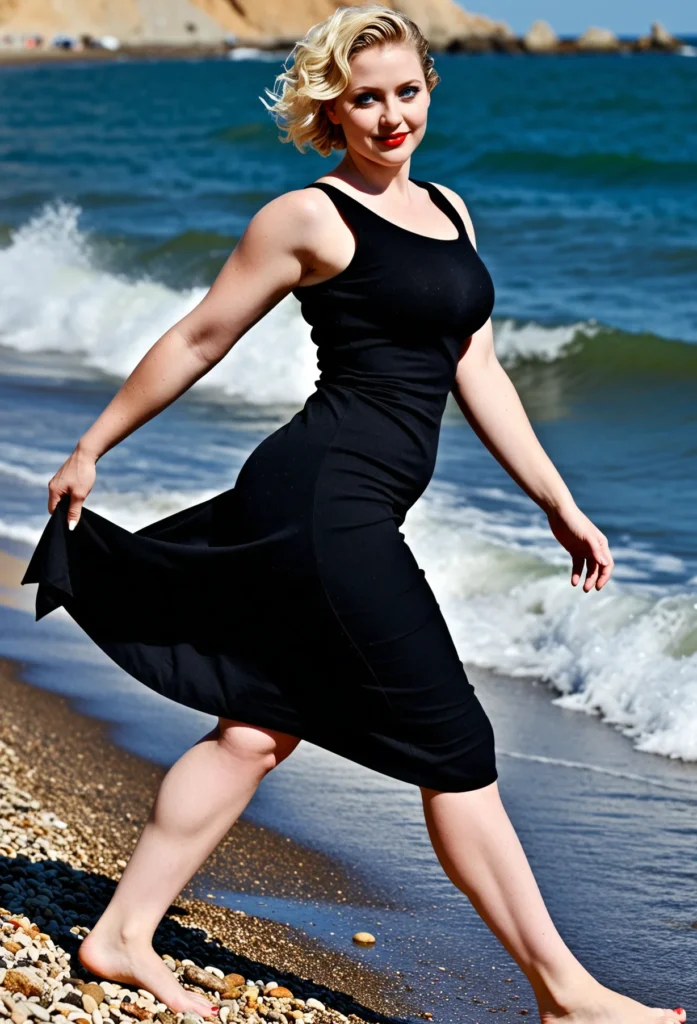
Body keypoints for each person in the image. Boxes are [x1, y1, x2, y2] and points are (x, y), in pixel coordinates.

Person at [21, 4, 686, 1023]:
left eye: (405, 92)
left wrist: (556, 500)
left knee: (256, 730)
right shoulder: (307, 217)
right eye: (365, 98)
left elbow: (476, 368)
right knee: (454, 747)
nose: (390, 116)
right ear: (331, 109)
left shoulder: (450, 210)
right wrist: (91, 444)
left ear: (429, 89)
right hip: (325, 508)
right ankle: (563, 993)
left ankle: (119, 936)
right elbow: (200, 336)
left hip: (350, 508)